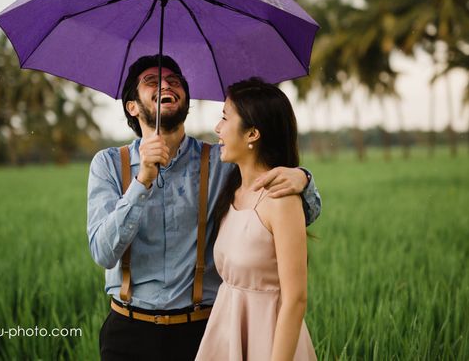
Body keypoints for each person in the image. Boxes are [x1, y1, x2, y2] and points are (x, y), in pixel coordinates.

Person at [87, 55, 321, 360]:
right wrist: (141, 182)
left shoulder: (220, 162)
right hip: (129, 331)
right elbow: (103, 253)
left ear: (186, 98)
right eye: (152, 81)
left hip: (202, 331)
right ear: (132, 106)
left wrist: (303, 178)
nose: (167, 84)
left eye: (174, 80)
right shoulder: (108, 165)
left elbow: (293, 213)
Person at [195, 78, 317, 360]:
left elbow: (295, 299)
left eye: (225, 118)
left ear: (252, 134)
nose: (217, 128)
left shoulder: (281, 200)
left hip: (270, 341)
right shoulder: (231, 192)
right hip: (225, 334)